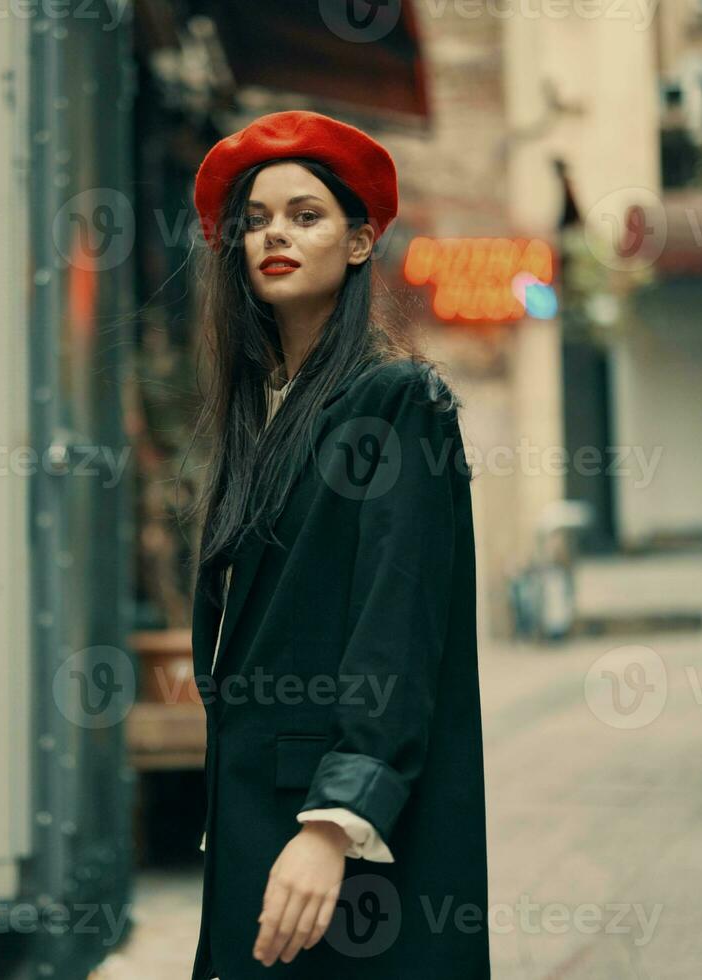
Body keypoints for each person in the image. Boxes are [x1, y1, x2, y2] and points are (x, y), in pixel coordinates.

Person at [183, 110, 489, 979]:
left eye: (305, 215)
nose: (273, 233)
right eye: (255, 219)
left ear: (359, 245)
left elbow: (395, 625)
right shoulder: (261, 416)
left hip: (342, 841)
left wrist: (332, 823)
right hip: (256, 820)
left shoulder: (398, 401)